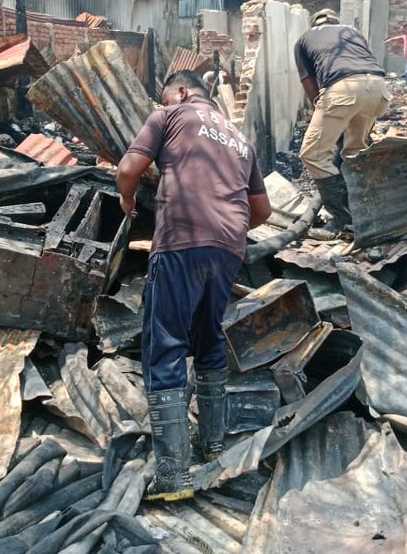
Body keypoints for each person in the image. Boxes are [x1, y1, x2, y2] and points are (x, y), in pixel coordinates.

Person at [117, 70, 272, 501]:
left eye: (166, 96)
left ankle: (173, 477)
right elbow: (263, 209)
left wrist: (127, 200)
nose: (164, 103)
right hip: (227, 249)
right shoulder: (239, 139)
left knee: (164, 345)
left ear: (181, 92)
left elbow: (130, 168)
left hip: (180, 241)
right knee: (208, 340)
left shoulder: (170, 116)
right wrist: (228, 228)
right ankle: (213, 443)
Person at [294, 9, 390, 240]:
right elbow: (362, 64)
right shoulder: (353, 32)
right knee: (355, 152)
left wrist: (322, 114)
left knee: (313, 155)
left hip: (343, 89)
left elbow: (310, 86)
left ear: (313, 24)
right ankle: (368, 214)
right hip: (378, 88)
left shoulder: (304, 40)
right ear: (337, 23)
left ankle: (344, 220)